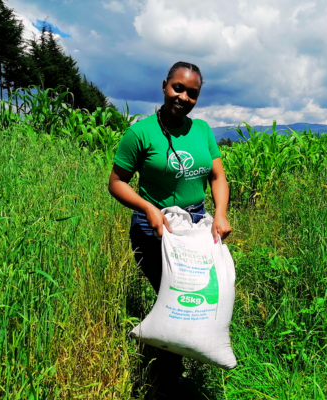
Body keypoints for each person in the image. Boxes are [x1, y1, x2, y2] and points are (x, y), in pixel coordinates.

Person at [108, 61, 232, 398]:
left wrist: (220, 214)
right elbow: (116, 183)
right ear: (165, 86)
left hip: (196, 227)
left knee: (198, 298)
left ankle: (187, 356)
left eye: (192, 93)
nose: (183, 97)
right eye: (178, 88)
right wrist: (148, 207)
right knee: (176, 299)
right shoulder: (140, 132)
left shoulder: (203, 131)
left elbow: (217, 177)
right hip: (156, 230)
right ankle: (168, 382)